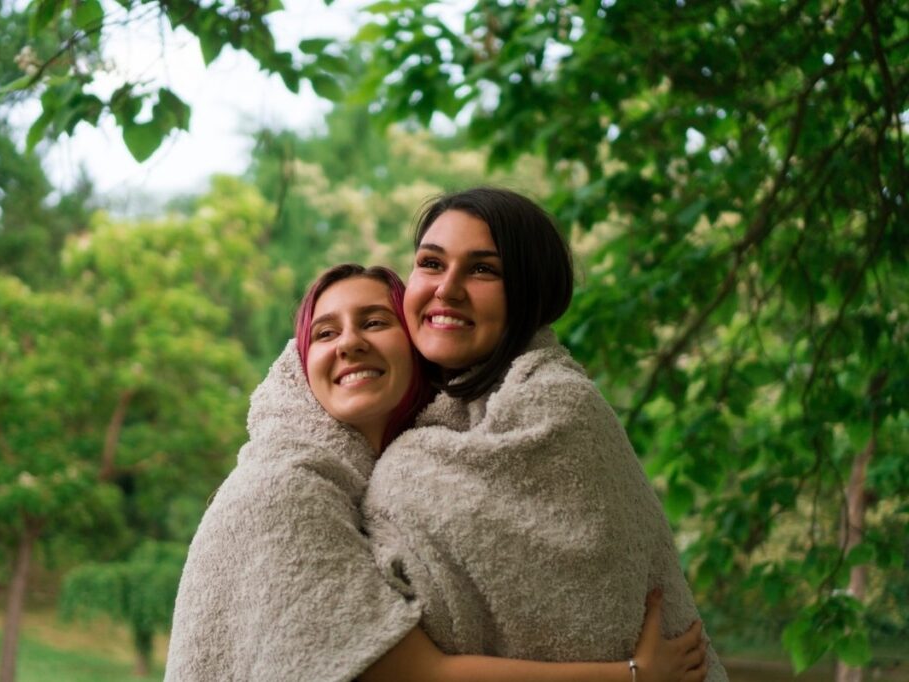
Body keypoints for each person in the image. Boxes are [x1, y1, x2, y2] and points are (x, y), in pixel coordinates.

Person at [165, 263, 708, 681]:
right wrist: (634, 675)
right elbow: (413, 675)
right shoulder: (284, 488)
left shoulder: (402, 483)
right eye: (325, 334)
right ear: (301, 369)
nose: (350, 342)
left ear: (418, 348)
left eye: (375, 322)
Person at [361, 188, 729, 681]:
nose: (447, 289)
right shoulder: (399, 403)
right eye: (431, 263)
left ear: (528, 293)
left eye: (483, 270)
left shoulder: (557, 406)